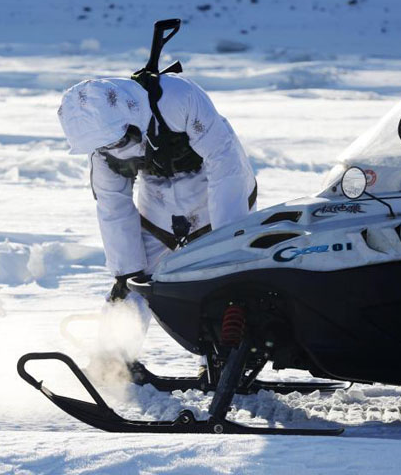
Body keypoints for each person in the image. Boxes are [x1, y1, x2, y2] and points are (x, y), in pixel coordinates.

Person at [57, 74, 257, 303]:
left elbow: (225, 164)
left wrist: (227, 241)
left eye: (118, 142)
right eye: (103, 147)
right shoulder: (101, 150)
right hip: (158, 204)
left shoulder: (179, 98)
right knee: (132, 289)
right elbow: (112, 205)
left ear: (130, 117)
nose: (114, 151)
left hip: (221, 192)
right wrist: (126, 272)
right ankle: (115, 337)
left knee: (228, 281)